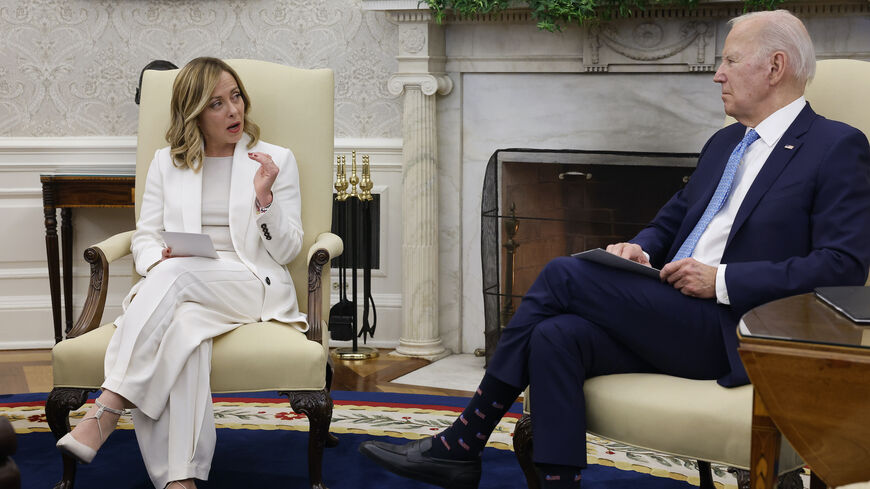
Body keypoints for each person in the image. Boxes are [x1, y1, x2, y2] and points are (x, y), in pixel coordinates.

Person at [360, 9, 870, 489]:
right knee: (556, 337)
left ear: (775, 67)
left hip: (735, 327)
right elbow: (675, 216)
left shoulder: (835, 146)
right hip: (672, 310)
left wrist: (720, 281)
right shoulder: (726, 143)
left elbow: (843, 267)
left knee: (563, 274)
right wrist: (641, 249)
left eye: (731, 60)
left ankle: (463, 439)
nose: (718, 74)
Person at [56, 57, 306, 489]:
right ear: (193, 113)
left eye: (236, 96)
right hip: (182, 288)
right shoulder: (166, 163)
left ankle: (108, 407)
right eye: (216, 104)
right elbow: (145, 237)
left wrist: (264, 199)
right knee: (183, 333)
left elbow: (287, 249)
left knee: (178, 278)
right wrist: (159, 260)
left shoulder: (274, 160)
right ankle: (179, 479)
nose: (233, 110)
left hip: (249, 284)